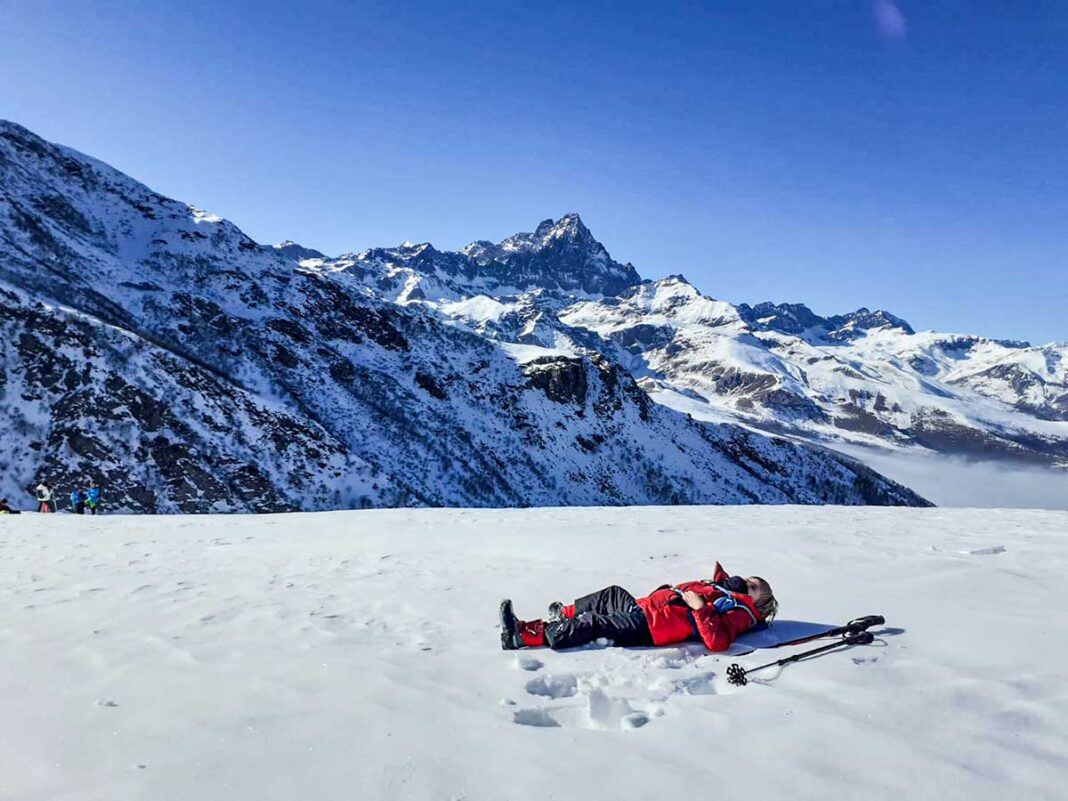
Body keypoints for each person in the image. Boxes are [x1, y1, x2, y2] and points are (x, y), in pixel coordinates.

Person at [499, 562, 778, 653]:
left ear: (758, 604)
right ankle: (565, 615)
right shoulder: (721, 590)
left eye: (753, 588)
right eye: (751, 580)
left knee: (597, 623)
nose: (746, 584)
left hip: (653, 629)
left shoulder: (741, 613)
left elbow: (717, 642)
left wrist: (700, 608)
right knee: (612, 594)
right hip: (649, 612)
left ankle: (525, 635)